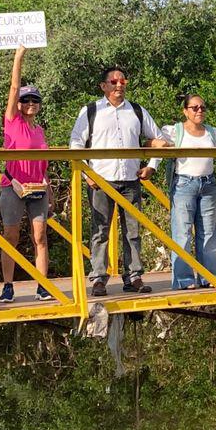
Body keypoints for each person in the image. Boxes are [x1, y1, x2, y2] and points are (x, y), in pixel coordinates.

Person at [68, 66, 170, 297]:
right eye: (114, 82)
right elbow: (76, 143)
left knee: (133, 231)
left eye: (122, 81)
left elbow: (159, 139)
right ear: (103, 86)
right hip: (100, 181)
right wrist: (86, 173)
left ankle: (134, 277)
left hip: (131, 180)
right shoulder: (91, 110)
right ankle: (98, 279)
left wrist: (152, 166)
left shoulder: (136, 110)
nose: (119, 85)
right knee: (100, 231)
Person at [152, 94, 216, 290]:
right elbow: (157, 148)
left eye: (202, 107)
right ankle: (184, 279)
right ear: (185, 111)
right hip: (184, 184)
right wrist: (151, 166)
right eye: (194, 107)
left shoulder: (213, 132)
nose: (199, 110)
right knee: (182, 232)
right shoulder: (174, 131)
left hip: (208, 183)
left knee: (209, 232)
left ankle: (208, 276)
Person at [0, 45, 51, 303]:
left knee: (40, 236)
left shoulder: (39, 130)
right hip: (13, 186)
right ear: (19, 104)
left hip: (38, 188)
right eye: (26, 100)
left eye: (35, 100)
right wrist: (19, 57)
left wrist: (49, 189)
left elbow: (44, 164)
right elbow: (14, 87)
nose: (30, 104)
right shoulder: (12, 121)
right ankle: (8, 285)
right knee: (11, 236)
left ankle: (43, 285)